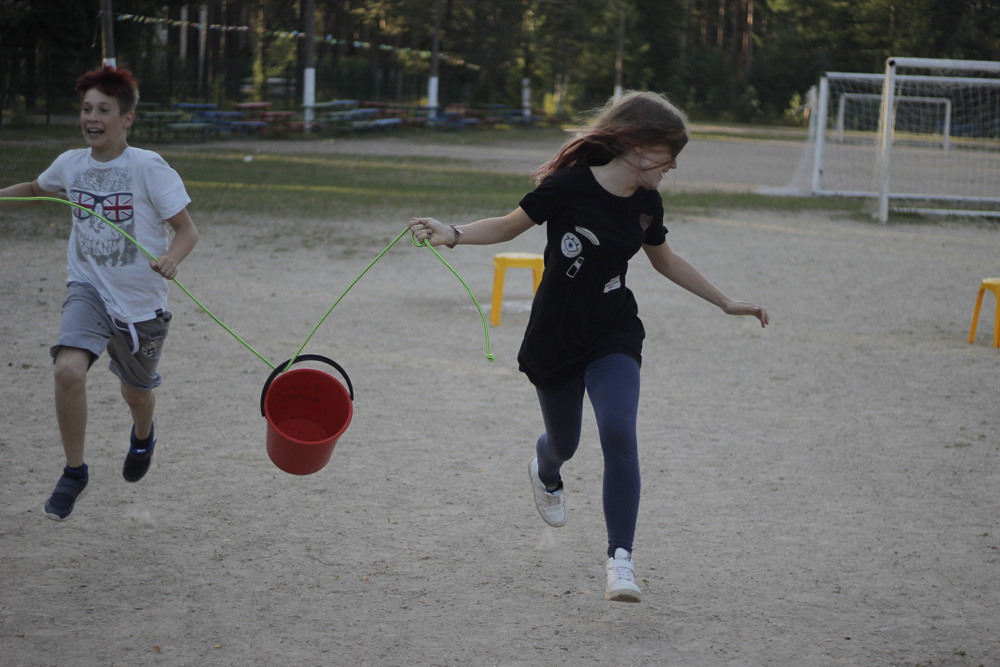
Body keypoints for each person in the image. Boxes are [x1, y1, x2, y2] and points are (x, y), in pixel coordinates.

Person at [408, 91, 768, 603]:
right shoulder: (569, 186)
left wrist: (727, 302)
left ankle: (620, 560)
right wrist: (454, 233)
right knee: (565, 444)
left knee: (619, 432)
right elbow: (510, 226)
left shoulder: (647, 203)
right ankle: (546, 469)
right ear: (640, 147)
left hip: (613, 329)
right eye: (670, 155)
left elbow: (664, 259)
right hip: (556, 335)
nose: (672, 168)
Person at [0, 66, 199, 521]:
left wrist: (172, 257)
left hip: (140, 306)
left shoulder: (148, 166)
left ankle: (143, 435)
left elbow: (187, 231)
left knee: (137, 394)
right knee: (68, 370)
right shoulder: (71, 164)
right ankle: (75, 472)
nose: (92, 117)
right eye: (86, 108)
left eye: (103, 109)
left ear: (126, 118)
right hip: (88, 290)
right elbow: (35, 189)